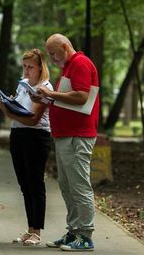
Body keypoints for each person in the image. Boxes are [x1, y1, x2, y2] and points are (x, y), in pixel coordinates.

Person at [37, 33, 99, 252]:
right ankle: (74, 231)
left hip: (78, 135)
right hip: (65, 134)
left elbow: (82, 96)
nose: (52, 58)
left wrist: (52, 93)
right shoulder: (69, 66)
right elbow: (68, 97)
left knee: (79, 185)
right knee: (66, 185)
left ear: (65, 46)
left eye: (53, 53)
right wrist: (48, 97)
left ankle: (85, 234)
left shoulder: (80, 63)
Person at [0, 48, 53, 246]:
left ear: (40, 67)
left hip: (36, 136)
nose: (27, 70)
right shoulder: (24, 85)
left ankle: (37, 231)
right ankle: (30, 229)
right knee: (24, 184)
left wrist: (7, 112)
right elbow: (22, 111)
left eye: (31, 67)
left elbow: (34, 120)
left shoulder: (45, 87)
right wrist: (10, 103)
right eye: (24, 66)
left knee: (35, 183)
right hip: (18, 135)